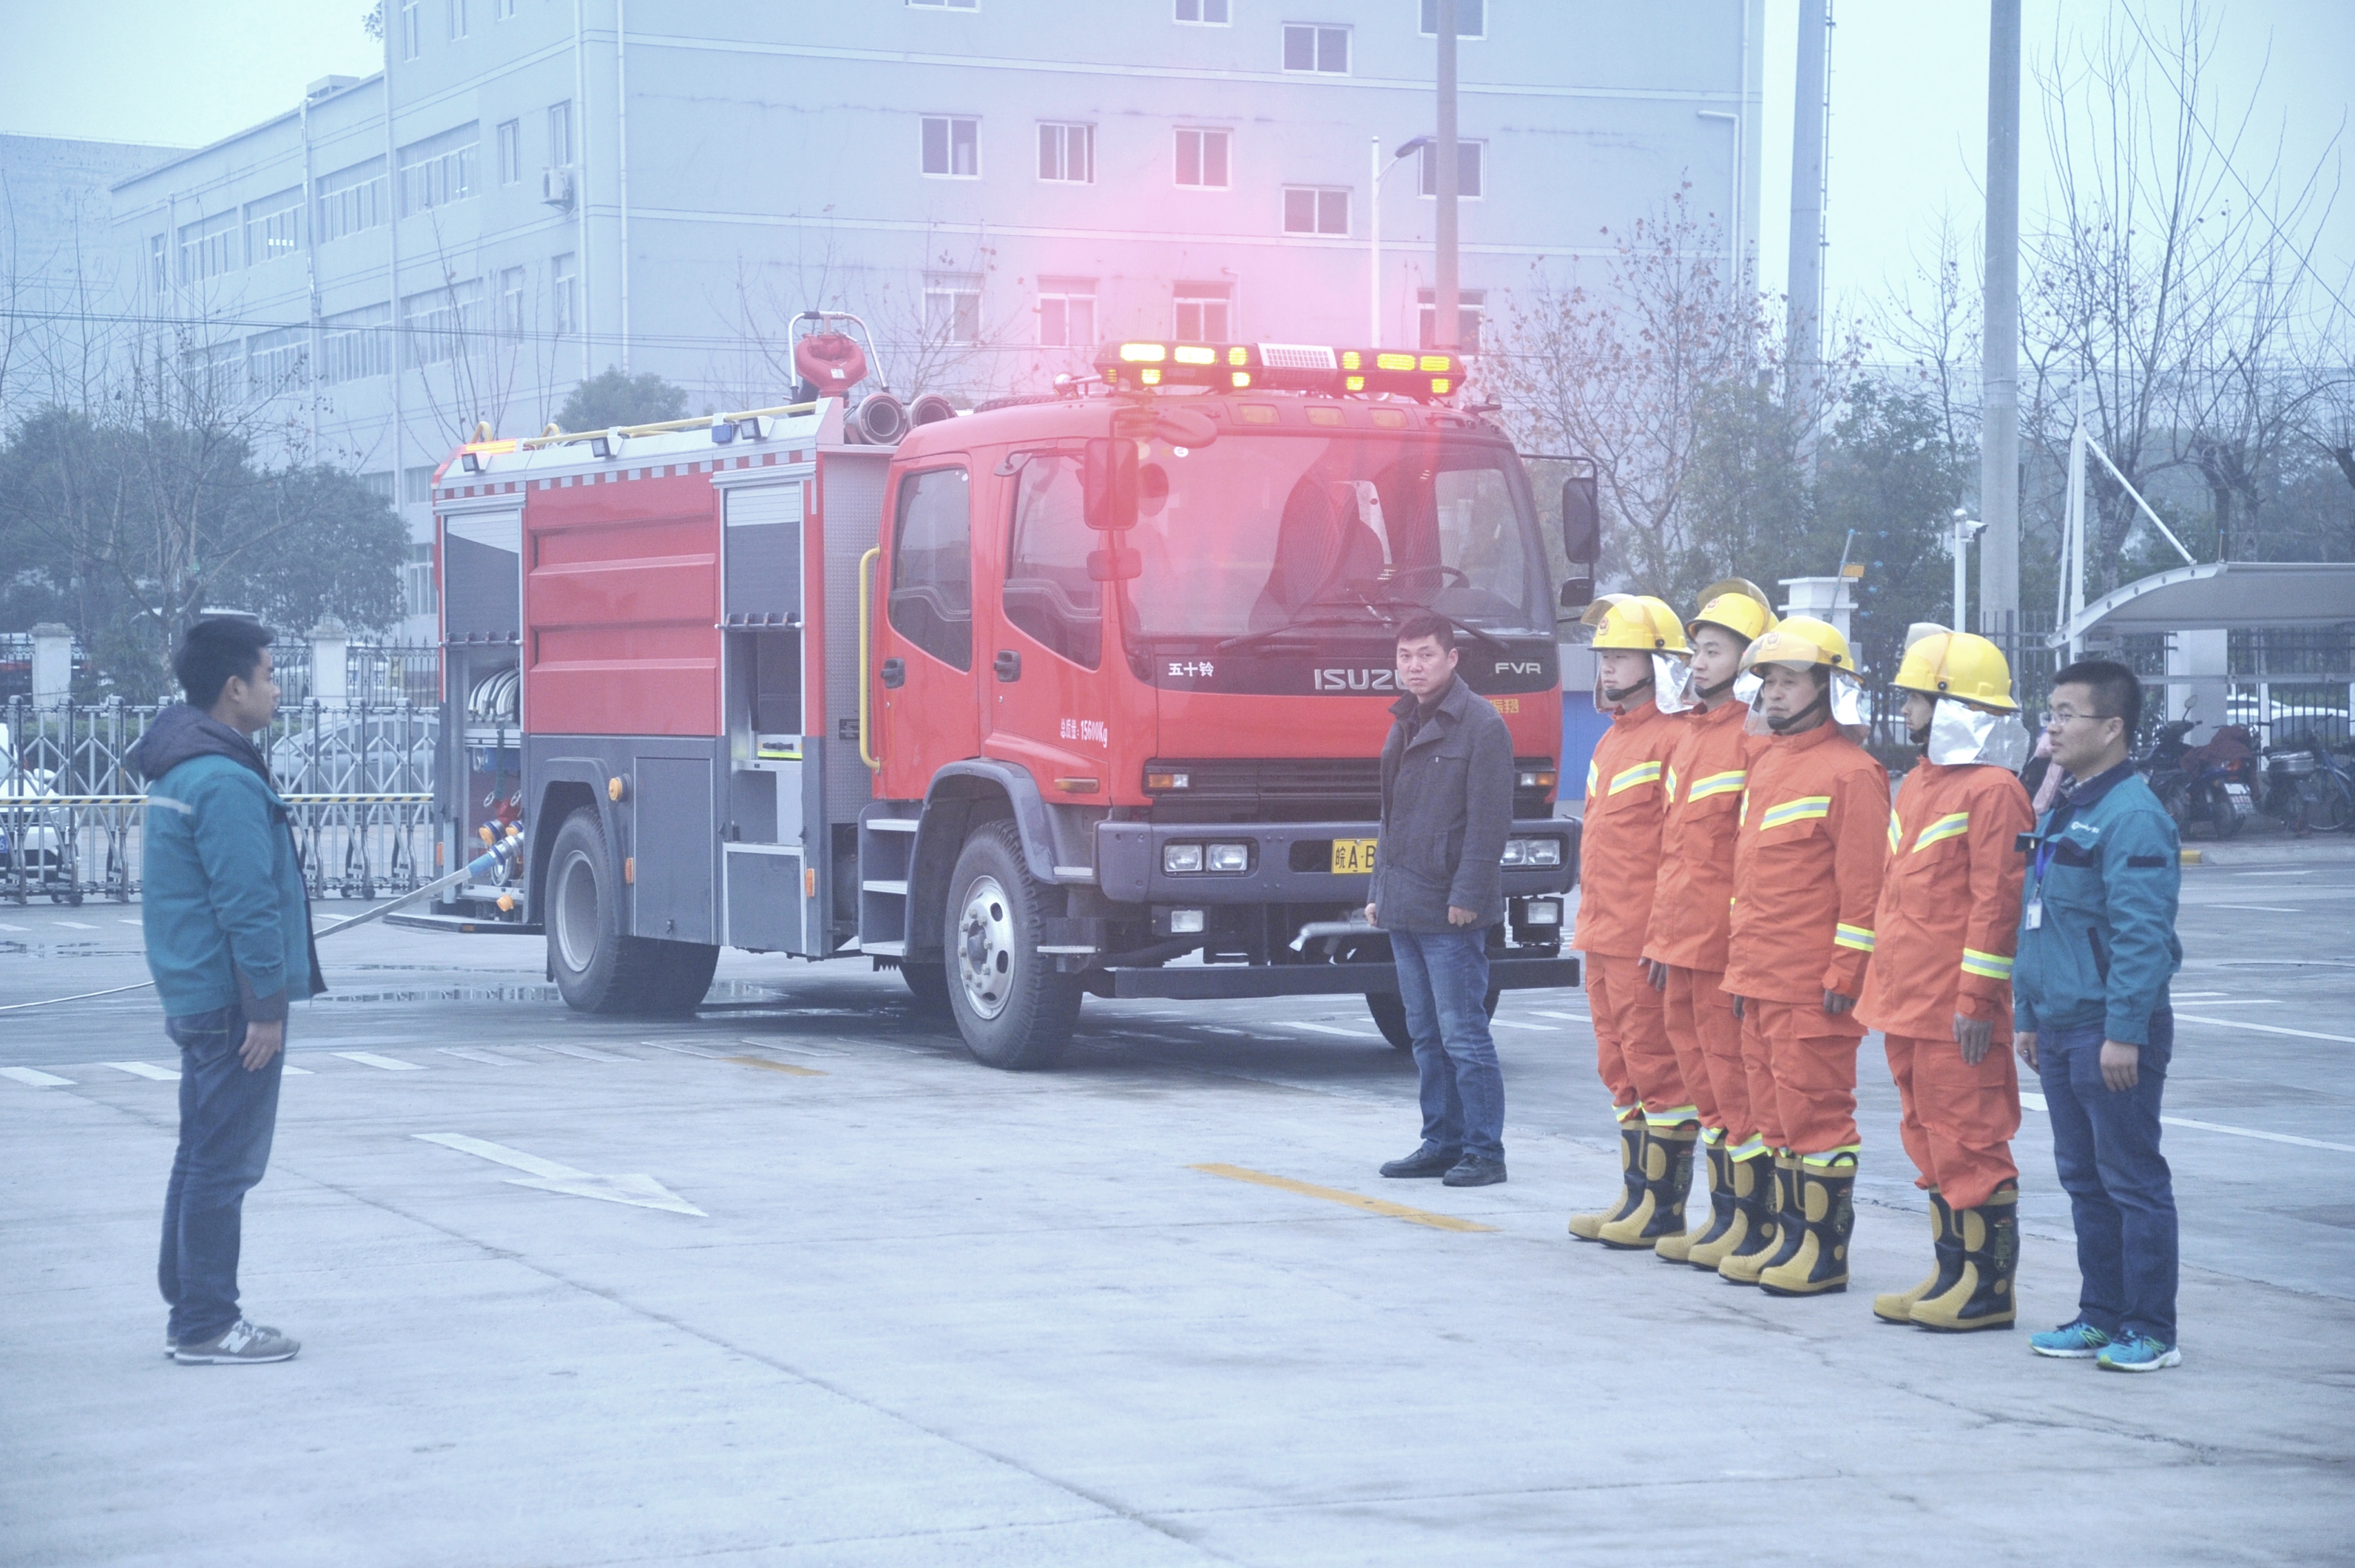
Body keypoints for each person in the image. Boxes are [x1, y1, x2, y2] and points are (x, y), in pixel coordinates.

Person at [127, 618, 322, 1365]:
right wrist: (265, 1011)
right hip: (230, 1002)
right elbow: (248, 904)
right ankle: (207, 1320)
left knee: (200, 1153)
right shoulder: (225, 780)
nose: (277, 687)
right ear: (234, 687)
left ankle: (190, 1301)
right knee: (225, 1162)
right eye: (270, 674)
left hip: (196, 992)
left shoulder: (184, 769)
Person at [1856, 629, 2036, 1331]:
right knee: (1929, 1140)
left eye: (1915, 697)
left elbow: (1998, 905)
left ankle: (1989, 1292)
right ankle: (1952, 1272)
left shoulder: (1994, 793)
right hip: (1908, 1002)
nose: (1904, 708)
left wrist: (1975, 1001)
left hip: (1955, 1010)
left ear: (1952, 703)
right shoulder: (1922, 785)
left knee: (1970, 1141)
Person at [2016, 659, 2184, 1372]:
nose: (2050, 726)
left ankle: (2150, 1328)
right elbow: (2036, 920)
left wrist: (2125, 1034)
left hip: (2108, 1032)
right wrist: (2027, 1011)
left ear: (2112, 727)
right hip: (2058, 1025)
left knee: (2132, 1181)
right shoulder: (2066, 807)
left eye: (2066, 713)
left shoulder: (2133, 816)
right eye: (2048, 711)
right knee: (2083, 1180)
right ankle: (2100, 1314)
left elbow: (2144, 939)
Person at [1719, 616, 1889, 1296]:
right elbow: (1750, 886)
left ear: (1829, 686)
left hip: (1812, 986)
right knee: (1774, 1118)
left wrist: (1846, 975)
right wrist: (1738, 972)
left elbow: (1866, 891)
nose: (1775, 694)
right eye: (1769, 682)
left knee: (1818, 1113)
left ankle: (1824, 1254)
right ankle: (1792, 1241)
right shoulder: (1768, 765)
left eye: (1790, 681)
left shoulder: (1853, 774)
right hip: (1759, 979)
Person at [1638, 581, 1777, 1268]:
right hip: (1683, 941)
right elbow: (1676, 852)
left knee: (1735, 1082)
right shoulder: (1692, 737)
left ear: (1751, 660)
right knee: (1705, 1084)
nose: (1698, 661)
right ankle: (1726, 1218)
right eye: (1697, 649)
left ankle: (1754, 1223)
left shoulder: (1753, 743)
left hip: (1724, 946)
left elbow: (1747, 860)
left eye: (1715, 650)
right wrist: (1661, 937)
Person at [1564, 594, 1696, 1248]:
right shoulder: (1614, 739)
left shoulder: (1676, 739)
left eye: (1620, 656)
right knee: (1619, 1069)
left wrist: (1665, 934)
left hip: (1643, 938)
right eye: (1605, 657)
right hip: (1602, 933)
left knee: (1657, 1069)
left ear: (1660, 663)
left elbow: (1679, 850)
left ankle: (1664, 1210)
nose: (1608, 669)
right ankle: (1636, 1196)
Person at [1368, 612, 1516, 1188]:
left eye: (1426, 654)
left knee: (1463, 1033)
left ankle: (1485, 1151)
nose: (1414, 666)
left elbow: (1489, 823)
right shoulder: (1402, 721)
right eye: (1405, 656)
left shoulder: (1481, 726)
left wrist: (1469, 895)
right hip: (1405, 903)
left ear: (1453, 659)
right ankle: (1441, 1141)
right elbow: (1390, 818)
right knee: (1425, 1034)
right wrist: (1378, 891)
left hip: (1451, 910)